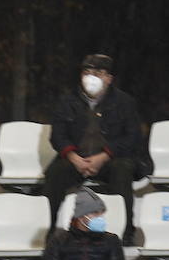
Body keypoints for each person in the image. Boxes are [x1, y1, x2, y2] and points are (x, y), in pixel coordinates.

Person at [44, 54, 146, 243]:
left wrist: (105, 156)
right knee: (56, 173)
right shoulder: (67, 101)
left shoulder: (124, 102)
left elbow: (133, 137)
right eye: (87, 72)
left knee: (123, 170)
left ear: (109, 78)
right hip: (76, 159)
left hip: (111, 160)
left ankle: (126, 232)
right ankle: (49, 231)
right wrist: (73, 157)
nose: (91, 77)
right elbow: (57, 135)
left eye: (98, 73)